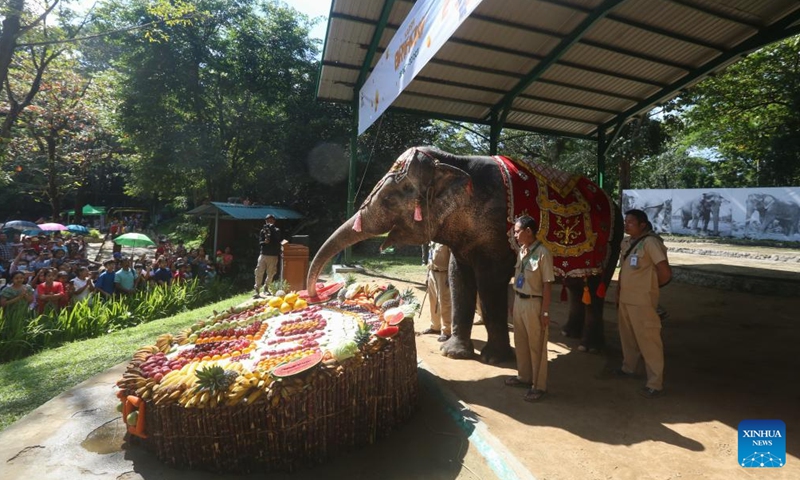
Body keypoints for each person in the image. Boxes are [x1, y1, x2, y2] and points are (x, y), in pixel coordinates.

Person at [615, 209, 672, 399]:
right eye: (626, 221)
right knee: (628, 337)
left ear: (643, 225)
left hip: (642, 302)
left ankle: (655, 383)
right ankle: (628, 368)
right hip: (625, 299)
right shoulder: (626, 242)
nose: (626, 224)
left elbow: (664, 272)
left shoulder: (651, 243)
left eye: (631, 222)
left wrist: (651, 289)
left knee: (649, 341)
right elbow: (624, 270)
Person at [504, 215, 554, 403]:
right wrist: (513, 303)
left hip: (535, 304)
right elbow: (518, 278)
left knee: (536, 345)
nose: (515, 235)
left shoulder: (543, 253)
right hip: (519, 301)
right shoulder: (522, 251)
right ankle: (524, 377)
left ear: (528, 231)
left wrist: (545, 311)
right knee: (521, 341)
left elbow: (548, 285)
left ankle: (538, 386)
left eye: (517, 231)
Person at [420, 242, 452, 342]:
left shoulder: (447, 242)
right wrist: (428, 274)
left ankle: (447, 331)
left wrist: (450, 276)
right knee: (433, 301)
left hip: (443, 274)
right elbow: (430, 256)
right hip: (432, 272)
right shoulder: (432, 241)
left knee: (444, 302)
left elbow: (452, 260)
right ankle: (435, 326)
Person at [254, 214, 283, 297]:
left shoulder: (277, 230)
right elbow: (260, 242)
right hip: (263, 254)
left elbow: (278, 239)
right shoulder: (263, 231)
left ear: (274, 221)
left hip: (273, 255)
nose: (269, 222)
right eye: (267, 220)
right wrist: (264, 242)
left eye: (271, 220)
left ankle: (266, 288)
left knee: (270, 273)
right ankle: (257, 290)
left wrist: (272, 229)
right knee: (259, 272)